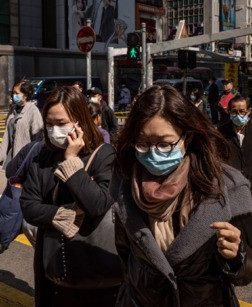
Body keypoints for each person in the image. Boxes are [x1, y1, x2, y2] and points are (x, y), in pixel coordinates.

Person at [112, 85, 252, 306]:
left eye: (164, 144)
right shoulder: (125, 186)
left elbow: (246, 274)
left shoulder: (229, 188)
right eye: (143, 143)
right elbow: (125, 258)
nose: (153, 153)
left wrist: (237, 255)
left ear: (187, 137)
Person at [20, 86, 121, 306]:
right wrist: (66, 214)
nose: (54, 130)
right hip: (56, 264)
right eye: (49, 124)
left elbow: (97, 205)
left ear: (80, 121)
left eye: (61, 123)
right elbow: (28, 206)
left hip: (98, 268)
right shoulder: (43, 157)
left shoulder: (104, 154)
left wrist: (72, 161)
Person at [0, 80, 43, 255]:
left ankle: (4, 238)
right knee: (12, 200)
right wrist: (0, 158)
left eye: (16, 92)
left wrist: (32, 161)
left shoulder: (33, 111)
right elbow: (7, 135)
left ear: (26, 94)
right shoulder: (14, 110)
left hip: (27, 163)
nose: (13, 95)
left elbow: (38, 137)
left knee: (14, 202)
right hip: (14, 162)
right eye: (13, 92)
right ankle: (3, 232)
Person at [218, 95, 252, 188]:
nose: (238, 115)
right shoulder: (222, 131)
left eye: (241, 111)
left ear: (248, 111)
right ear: (229, 111)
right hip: (232, 182)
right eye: (234, 112)